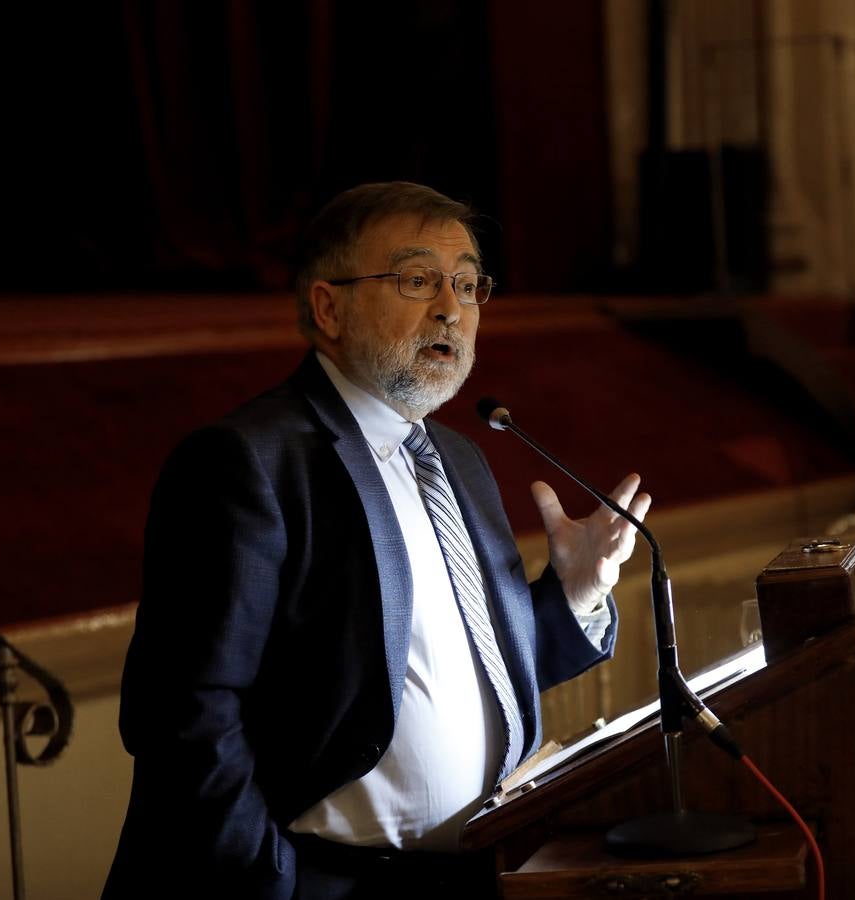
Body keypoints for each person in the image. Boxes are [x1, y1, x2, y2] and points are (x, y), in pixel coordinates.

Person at [102, 182, 650, 899]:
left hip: (483, 869)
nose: (451, 308)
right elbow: (185, 715)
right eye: (417, 279)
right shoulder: (250, 462)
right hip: (325, 884)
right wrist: (272, 881)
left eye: (466, 282)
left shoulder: (459, 458)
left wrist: (572, 597)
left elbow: (448, 676)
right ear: (329, 308)